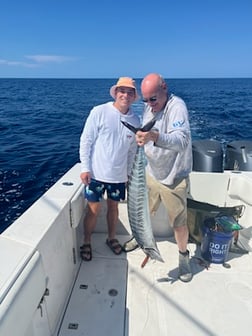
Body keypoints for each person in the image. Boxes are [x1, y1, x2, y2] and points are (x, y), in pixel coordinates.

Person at [123, 73, 193, 282]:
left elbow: (181, 141)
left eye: (153, 99)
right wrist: (141, 137)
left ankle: (183, 258)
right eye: (145, 100)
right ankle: (140, 237)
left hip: (173, 177)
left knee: (179, 223)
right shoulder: (149, 106)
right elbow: (145, 134)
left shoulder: (177, 107)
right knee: (141, 211)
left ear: (165, 88)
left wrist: (153, 136)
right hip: (150, 172)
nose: (150, 104)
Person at [79, 77, 140, 261]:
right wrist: (85, 167)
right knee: (93, 210)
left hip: (119, 177)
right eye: (122, 91)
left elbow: (132, 152)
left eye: (130, 92)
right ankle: (87, 241)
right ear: (116, 93)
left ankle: (111, 238)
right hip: (96, 174)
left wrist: (128, 174)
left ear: (134, 97)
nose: (125, 95)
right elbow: (86, 140)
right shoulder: (99, 111)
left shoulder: (136, 120)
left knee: (114, 209)